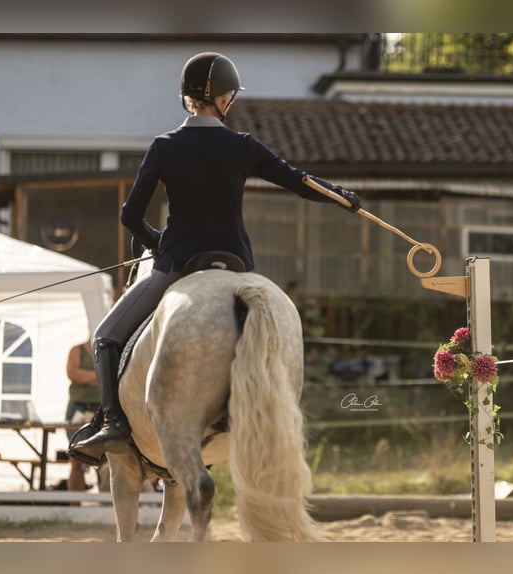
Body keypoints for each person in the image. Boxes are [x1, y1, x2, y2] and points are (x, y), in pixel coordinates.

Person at [70, 52, 360, 461]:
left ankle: (113, 422)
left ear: (186, 97)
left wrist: (157, 243)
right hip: (236, 262)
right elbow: (298, 181)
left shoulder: (165, 146)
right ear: (225, 98)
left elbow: (129, 215)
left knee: (105, 337)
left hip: (177, 264)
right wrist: (344, 198)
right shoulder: (242, 145)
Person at [64, 341, 101, 491]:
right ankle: (75, 506)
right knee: (76, 457)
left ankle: (104, 503)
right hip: (78, 409)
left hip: (100, 409)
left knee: (105, 459)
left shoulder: (109, 349)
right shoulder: (77, 350)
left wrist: (87, 377)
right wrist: (98, 375)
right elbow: (73, 374)